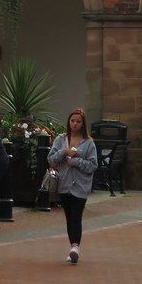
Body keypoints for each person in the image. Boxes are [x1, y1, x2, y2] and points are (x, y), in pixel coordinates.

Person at [47, 107, 98, 264]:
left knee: (76, 216)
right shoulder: (61, 139)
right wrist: (64, 152)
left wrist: (75, 161)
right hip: (64, 184)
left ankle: (75, 247)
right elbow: (51, 159)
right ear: (68, 122)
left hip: (81, 186)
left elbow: (92, 165)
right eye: (72, 121)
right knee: (69, 217)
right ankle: (73, 247)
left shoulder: (88, 143)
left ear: (83, 124)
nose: (75, 124)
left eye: (78, 121)